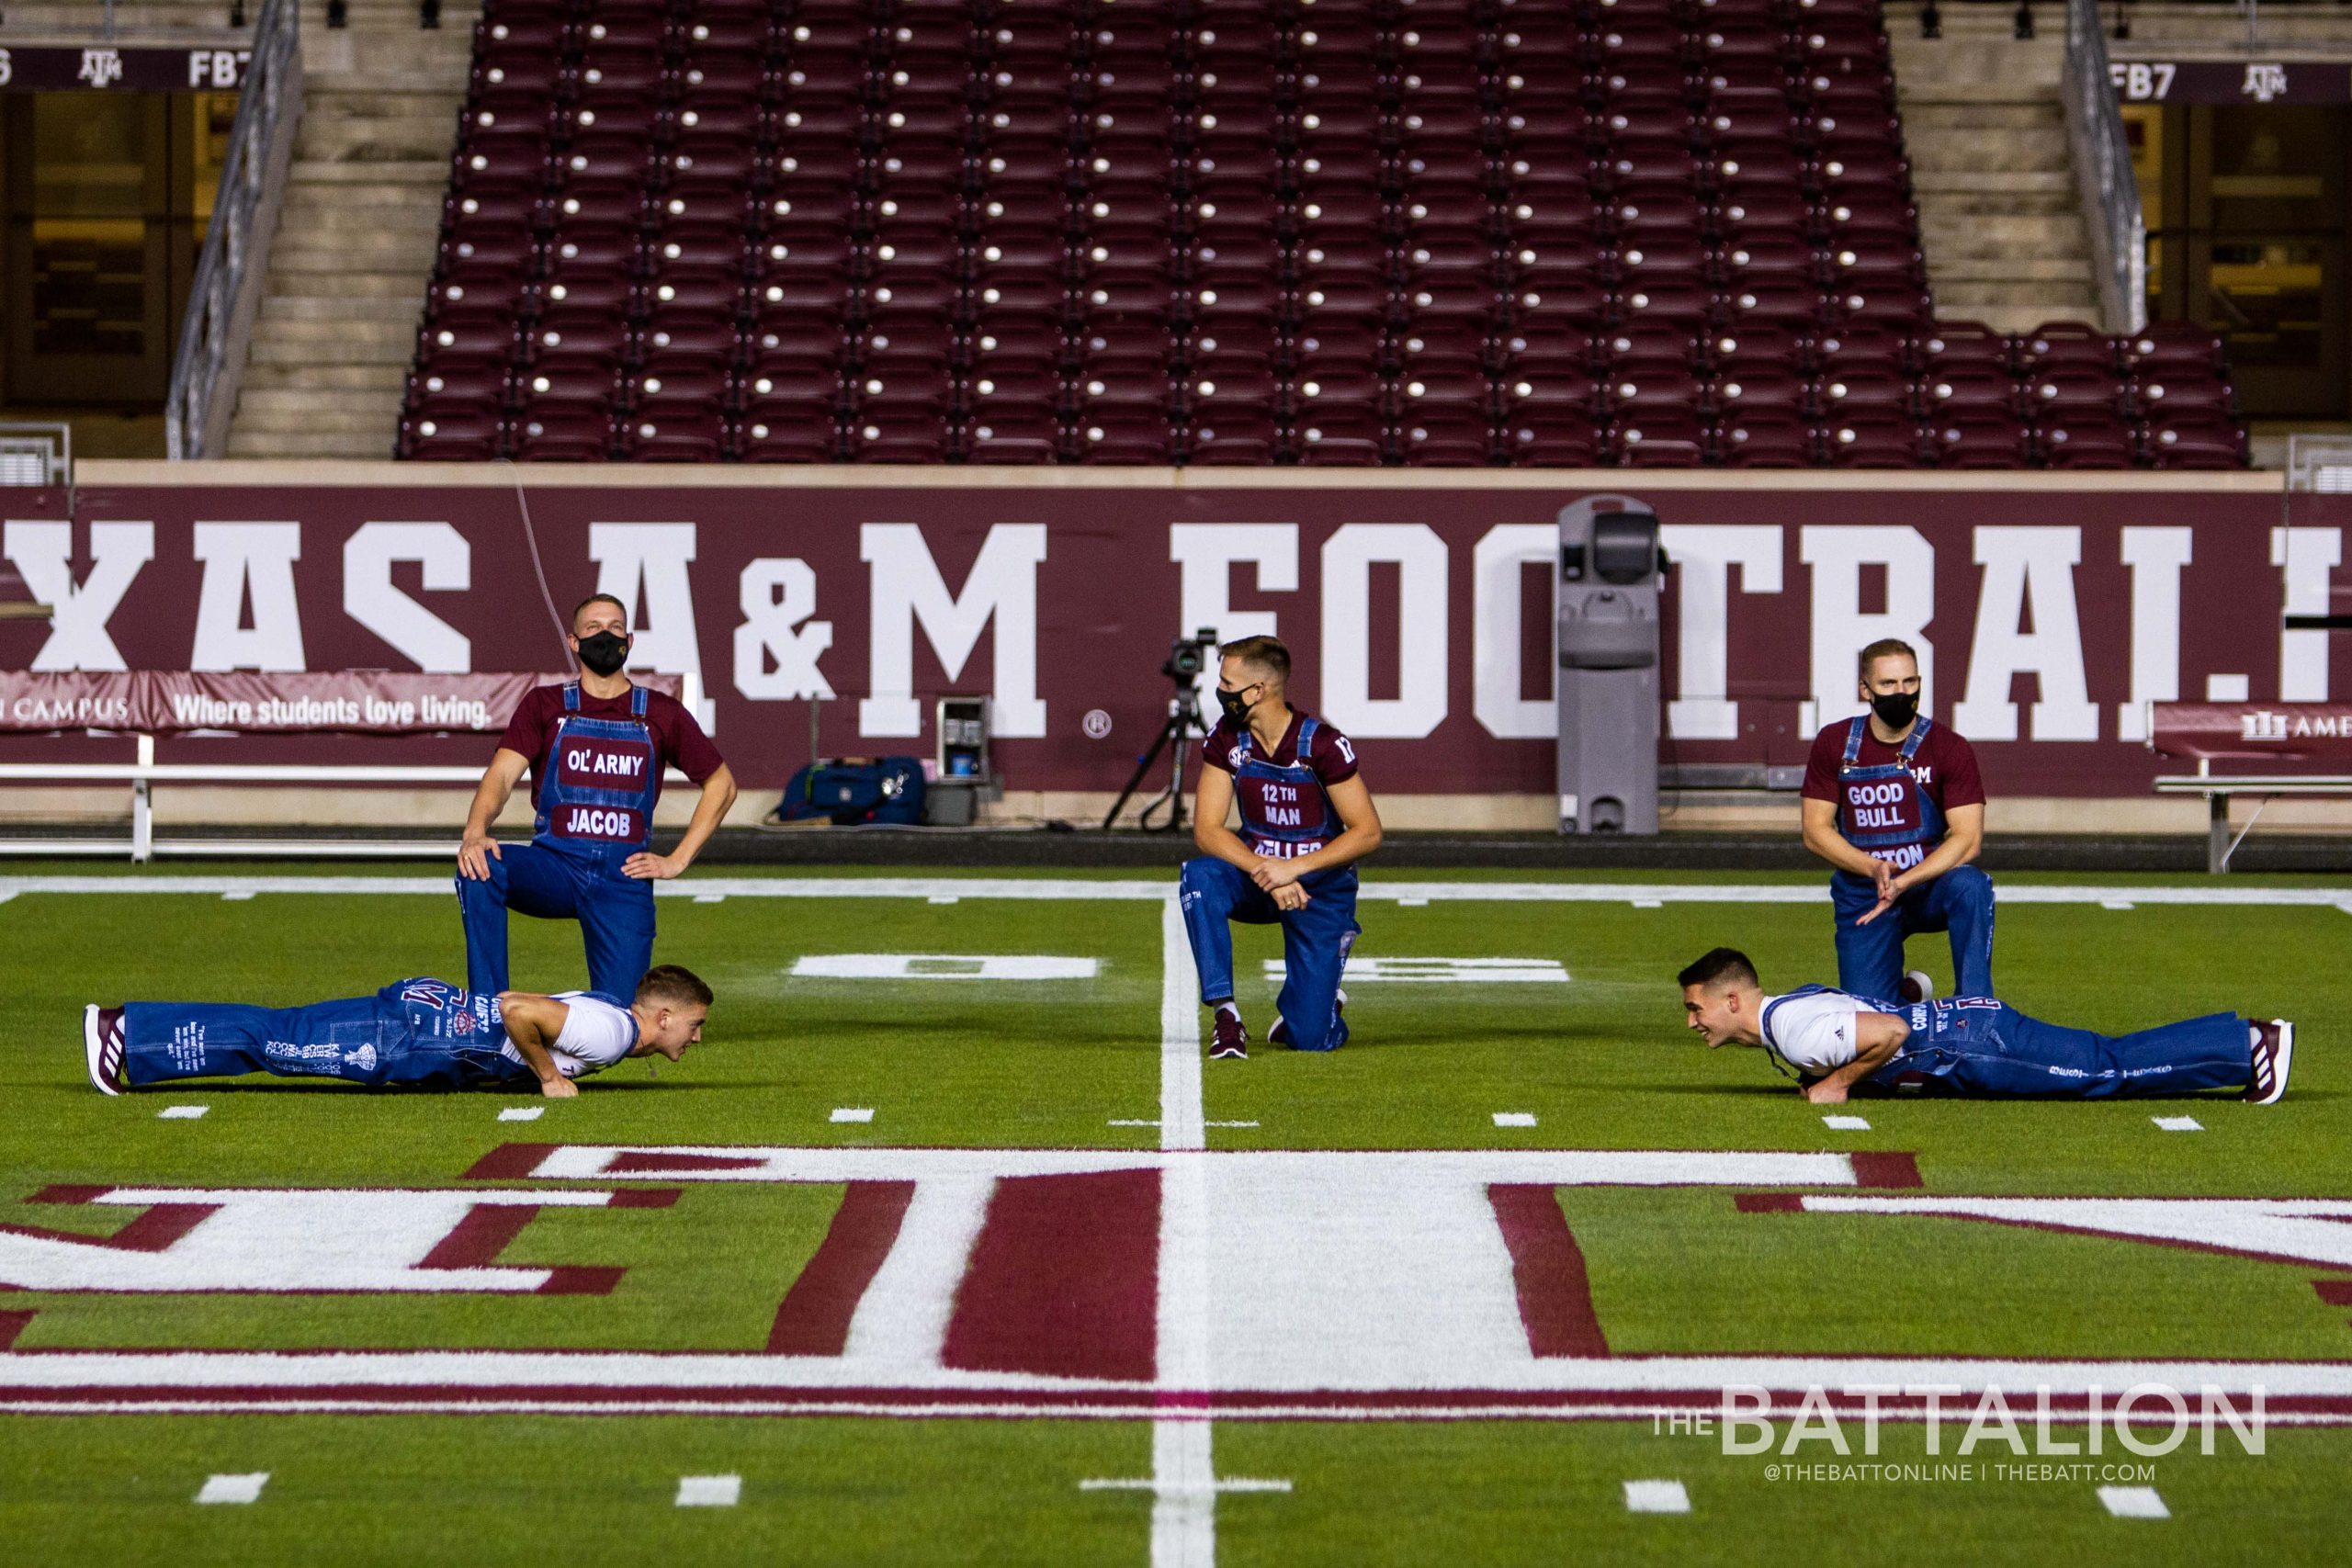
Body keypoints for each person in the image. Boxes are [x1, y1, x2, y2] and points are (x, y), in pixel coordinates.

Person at [456, 593, 737, 998]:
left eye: (615, 628)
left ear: (630, 640)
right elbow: (501, 776)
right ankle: (488, 1011)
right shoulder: (545, 704)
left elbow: (722, 784)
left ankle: (560, 1021)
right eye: (593, 629)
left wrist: (678, 859)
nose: (605, 636)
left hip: (622, 879)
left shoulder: (661, 712)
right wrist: (475, 831)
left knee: (621, 1021)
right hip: (555, 867)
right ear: (573, 642)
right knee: (477, 866)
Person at [1675, 946, 2293, 1106]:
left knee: (2104, 1070)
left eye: (1696, 1007)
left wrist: (1838, 1083)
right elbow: (1894, 999)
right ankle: (2238, 1042)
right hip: (1967, 1029)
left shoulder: (1792, 1030)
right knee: (2104, 1062)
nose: (1691, 1021)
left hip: (1977, 1045)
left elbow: (1888, 1030)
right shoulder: (1790, 1008)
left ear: (1732, 1000)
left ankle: (2248, 1045)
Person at [1178, 635, 1384, 1060]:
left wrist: (1295, 868)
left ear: (1258, 691)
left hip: (1318, 888)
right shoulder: (1227, 740)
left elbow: (1367, 832)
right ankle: (1226, 1015)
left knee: (1310, 1039)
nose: (1221, 692)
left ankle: (1317, 1005)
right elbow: (1207, 830)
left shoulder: (1323, 745)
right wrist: (1268, 873)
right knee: (1198, 877)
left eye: (1227, 683)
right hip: (1260, 879)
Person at [81, 964, 713, 1098]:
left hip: (428, 1023)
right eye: (694, 1025)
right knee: (276, 1040)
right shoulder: (609, 1033)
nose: (696, 1037)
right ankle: (125, 1031)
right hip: (414, 1033)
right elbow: (518, 1009)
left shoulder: (611, 1019)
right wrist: (548, 1077)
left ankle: (134, 1037)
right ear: (663, 1016)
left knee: (278, 1037)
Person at [1800, 637, 1993, 1005]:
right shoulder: (1834, 743)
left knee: (1972, 886)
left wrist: (1905, 881)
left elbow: (1968, 839)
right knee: (1871, 1018)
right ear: (1865, 689)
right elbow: (1815, 831)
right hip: (1865, 891)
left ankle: (1975, 1010)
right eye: (1888, 684)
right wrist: (1872, 868)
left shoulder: (1950, 747)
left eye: (1910, 682)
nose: (1901, 693)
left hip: (1927, 884)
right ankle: (1909, 995)